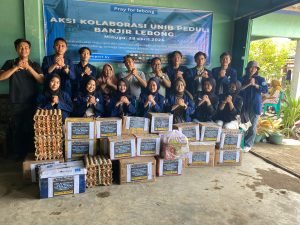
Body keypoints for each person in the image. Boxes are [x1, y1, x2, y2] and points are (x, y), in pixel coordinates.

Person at [0, 38, 44, 160]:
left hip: (32, 101)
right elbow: (1, 77)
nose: (23, 49)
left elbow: (41, 80)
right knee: (17, 129)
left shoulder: (35, 64)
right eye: (20, 47)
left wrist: (29, 68)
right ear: (16, 49)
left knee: (32, 128)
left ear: (29, 50)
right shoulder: (10, 62)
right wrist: (16, 67)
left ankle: (31, 155)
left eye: (26, 47)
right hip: (16, 101)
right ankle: (20, 156)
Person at [240, 61, 268, 152]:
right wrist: (249, 83)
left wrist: (255, 85)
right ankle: (241, 143)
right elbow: (239, 89)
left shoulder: (260, 79)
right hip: (244, 105)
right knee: (243, 125)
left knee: (252, 126)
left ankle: (248, 144)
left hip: (255, 106)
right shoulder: (243, 78)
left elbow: (265, 90)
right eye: (251, 67)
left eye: (254, 68)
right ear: (247, 69)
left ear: (257, 69)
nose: (252, 69)